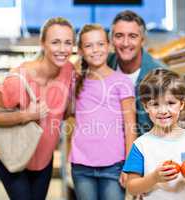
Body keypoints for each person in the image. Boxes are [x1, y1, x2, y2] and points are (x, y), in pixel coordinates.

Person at [0, 17, 75, 200]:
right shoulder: (18, 78)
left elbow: (64, 111)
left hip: (43, 158)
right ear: (43, 43)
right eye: (55, 42)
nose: (62, 49)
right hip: (13, 156)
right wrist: (26, 115)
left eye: (68, 43)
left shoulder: (69, 71)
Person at [123, 69, 185, 200]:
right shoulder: (141, 145)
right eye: (155, 104)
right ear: (145, 107)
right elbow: (132, 187)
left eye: (171, 103)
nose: (163, 111)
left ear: (182, 103)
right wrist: (154, 178)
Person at [68, 24, 137, 200]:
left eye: (100, 44)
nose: (95, 50)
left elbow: (131, 127)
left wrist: (130, 166)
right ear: (81, 51)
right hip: (81, 165)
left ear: (109, 46)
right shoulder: (76, 82)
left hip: (114, 166)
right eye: (89, 45)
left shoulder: (122, 81)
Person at [108, 10, 166, 136]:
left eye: (132, 36)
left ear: (143, 40)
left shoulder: (160, 75)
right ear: (112, 39)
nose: (125, 43)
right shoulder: (104, 66)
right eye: (119, 36)